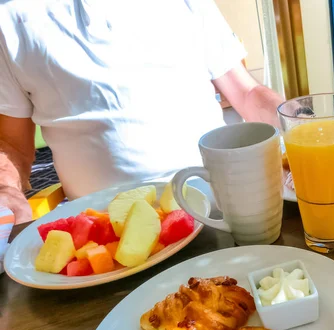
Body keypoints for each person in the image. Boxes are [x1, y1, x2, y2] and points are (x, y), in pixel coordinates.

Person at [0, 0, 284, 224]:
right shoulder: (10, 17)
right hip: (104, 237)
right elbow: (12, 145)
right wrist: (6, 191)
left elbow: (246, 92)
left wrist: (298, 124)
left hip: (218, 211)